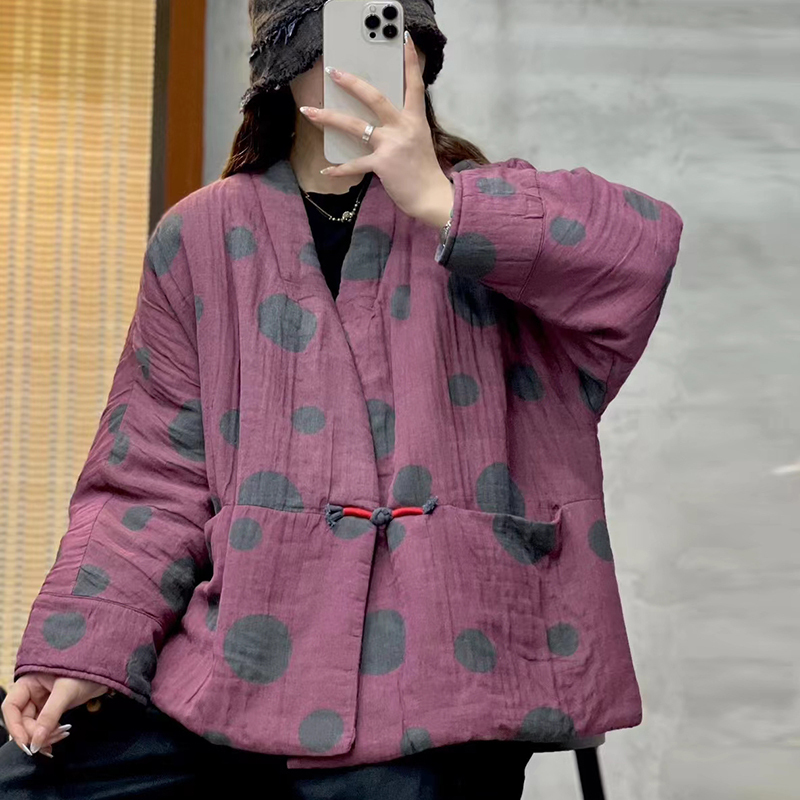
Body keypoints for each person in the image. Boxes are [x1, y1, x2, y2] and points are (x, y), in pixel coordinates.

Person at [1, 0, 684, 797]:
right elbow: (149, 481)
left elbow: (641, 252)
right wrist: (82, 648)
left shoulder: (487, 215)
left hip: (448, 672)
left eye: (385, 34)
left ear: (419, 56)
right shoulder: (201, 238)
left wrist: (440, 200)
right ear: (280, 69)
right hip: (237, 667)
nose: (359, 65)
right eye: (330, 43)